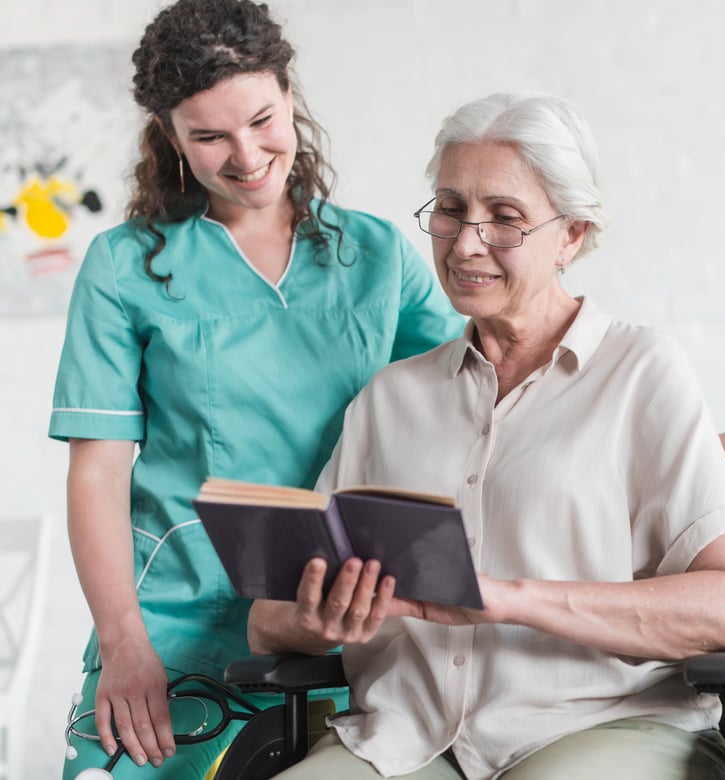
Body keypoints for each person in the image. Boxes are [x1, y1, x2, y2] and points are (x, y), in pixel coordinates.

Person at [247, 92, 725, 780]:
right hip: (406, 740)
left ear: (572, 235)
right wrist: (327, 616)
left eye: (505, 219)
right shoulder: (390, 397)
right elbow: (266, 621)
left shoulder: (642, 372)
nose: (466, 243)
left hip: (598, 725)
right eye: (451, 209)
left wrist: (506, 598)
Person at [47, 0, 465, 776]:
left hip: (332, 619)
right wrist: (122, 642)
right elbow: (97, 470)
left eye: (263, 120)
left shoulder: (374, 255)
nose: (246, 155)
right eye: (209, 136)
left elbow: (486, 395)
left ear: (290, 97)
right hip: (170, 618)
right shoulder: (125, 266)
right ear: (169, 137)